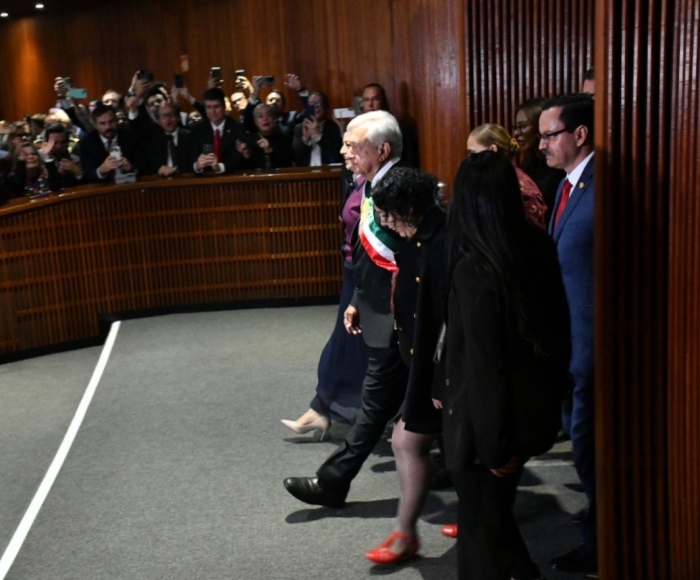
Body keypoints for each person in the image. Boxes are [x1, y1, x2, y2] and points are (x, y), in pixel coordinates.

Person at [440, 151, 571, 580]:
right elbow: (557, 334)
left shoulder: (474, 266)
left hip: (486, 429)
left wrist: (495, 445)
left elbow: (485, 364)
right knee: (494, 522)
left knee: (479, 540)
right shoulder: (538, 246)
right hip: (530, 413)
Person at [283, 110, 409, 509]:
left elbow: (409, 259)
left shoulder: (398, 191)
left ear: (382, 149)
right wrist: (356, 299)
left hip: (404, 318)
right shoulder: (374, 185)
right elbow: (373, 258)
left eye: (353, 145)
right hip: (380, 311)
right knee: (381, 407)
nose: (344, 151)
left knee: (391, 408)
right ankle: (335, 481)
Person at [363, 167, 446, 565]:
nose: (385, 222)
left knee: (411, 442)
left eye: (390, 213)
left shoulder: (444, 242)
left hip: (446, 371)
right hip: (423, 364)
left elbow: (451, 321)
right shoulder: (415, 240)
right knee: (419, 444)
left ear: (411, 207)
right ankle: (409, 532)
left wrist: (440, 384)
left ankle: (406, 533)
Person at [540, 94, 597, 575]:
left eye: (548, 135)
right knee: (582, 448)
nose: (540, 145)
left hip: (592, 348)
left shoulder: (602, 187)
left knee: (590, 450)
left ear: (579, 134)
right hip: (568, 347)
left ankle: (598, 544)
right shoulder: (566, 185)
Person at [280, 133, 371, 434]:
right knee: (347, 345)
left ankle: (325, 409)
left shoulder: (377, 186)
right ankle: (323, 409)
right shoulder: (358, 181)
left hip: (366, 276)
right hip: (351, 270)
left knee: (351, 346)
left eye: (351, 146)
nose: (343, 151)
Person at [467, 123, 547, 228]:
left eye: (473, 154)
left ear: (492, 150)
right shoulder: (489, 181)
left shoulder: (523, 190)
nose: (469, 160)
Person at [513, 98, 567, 223]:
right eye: (516, 127)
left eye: (523, 126)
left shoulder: (556, 166)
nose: (516, 133)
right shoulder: (528, 162)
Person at [359, 83, 419, 169]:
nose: (370, 104)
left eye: (375, 99)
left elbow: (411, 161)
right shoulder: (356, 129)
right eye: (366, 100)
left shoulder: (401, 127)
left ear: (384, 102)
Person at [190, 87, 246, 175]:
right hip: (205, 182)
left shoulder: (237, 128)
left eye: (216, 107)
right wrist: (197, 165)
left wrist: (220, 167)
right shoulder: (197, 130)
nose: (212, 112)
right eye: (208, 107)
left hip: (232, 180)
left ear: (224, 106)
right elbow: (190, 158)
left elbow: (238, 158)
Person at [79, 104, 139, 183]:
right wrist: (101, 171)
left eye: (111, 121)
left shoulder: (131, 137)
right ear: (95, 125)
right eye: (103, 123)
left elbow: (145, 167)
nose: (108, 127)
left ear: (117, 120)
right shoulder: (86, 143)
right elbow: (87, 176)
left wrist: (131, 168)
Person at [143, 102, 194, 177]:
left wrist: (176, 170)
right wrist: (158, 169)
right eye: (163, 116)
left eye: (171, 114)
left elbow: (193, 163)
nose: (168, 118)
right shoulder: (153, 140)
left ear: (178, 118)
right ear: (158, 121)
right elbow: (148, 165)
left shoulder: (189, 136)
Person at [292, 92, 343, 166]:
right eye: (312, 104)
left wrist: (319, 136)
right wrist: (305, 139)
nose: (316, 107)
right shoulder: (300, 128)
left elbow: (335, 157)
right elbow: (296, 157)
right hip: (305, 173)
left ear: (325, 107)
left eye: (319, 104)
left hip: (328, 172)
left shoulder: (334, 127)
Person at [239, 104, 294, 169]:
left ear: (274, 118)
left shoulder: (284, 140)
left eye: (269, 115)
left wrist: (269, 151)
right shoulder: (249, 141)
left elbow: (287, 166)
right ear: (255, 122)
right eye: (260, 116)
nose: (265, 119)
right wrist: (247, 156)